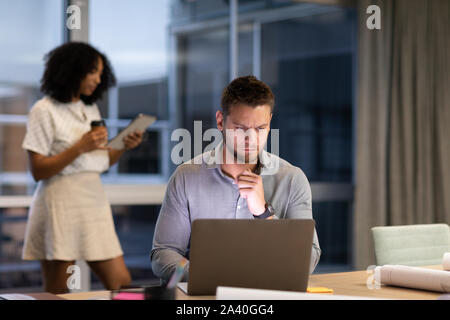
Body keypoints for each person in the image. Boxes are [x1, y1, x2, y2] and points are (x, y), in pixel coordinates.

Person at [151, 75, 321, 283]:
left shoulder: (292, 179)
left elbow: (307, 261)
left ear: (269, 124)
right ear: (221, 121)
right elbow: (163, 254)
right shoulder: (186, 177)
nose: (251, 139)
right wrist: (203, 276)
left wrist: (263, 213)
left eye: (260, 129)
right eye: (240, 129)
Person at [21, 42, 144, 294]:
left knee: (122, 284)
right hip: (60, 202)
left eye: (101, 73)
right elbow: (38, 170)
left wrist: (123, 146)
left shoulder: (89, 108)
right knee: (58, 292)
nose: (98, 80)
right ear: (73, 70)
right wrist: (79, 147)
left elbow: (100, 161)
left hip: (93, 200)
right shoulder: (43, 110)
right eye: (93, 72)